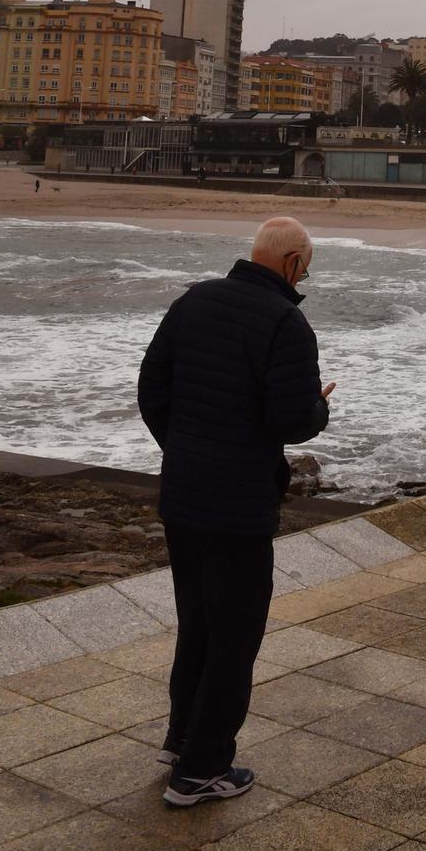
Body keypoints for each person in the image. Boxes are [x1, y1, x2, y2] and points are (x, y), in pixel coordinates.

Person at [138, 216, 332, 808]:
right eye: (306, 269)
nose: (303, 278)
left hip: (183, 495)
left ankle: (181, 739)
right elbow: (291, 421)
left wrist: (186, 451)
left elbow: (151, 391)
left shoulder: (193, 301)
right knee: (235, 637)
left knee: (197, 622)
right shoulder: (285, 322)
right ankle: (202, 770)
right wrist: (317, 408)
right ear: (293, 262)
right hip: (239, 505)